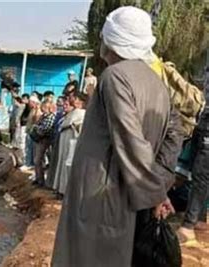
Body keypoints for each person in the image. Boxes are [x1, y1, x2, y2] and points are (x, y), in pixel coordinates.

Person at [52, 7, 184, 267]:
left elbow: (130, 139)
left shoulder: (114, 77)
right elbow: (174, 134)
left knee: (89, 257)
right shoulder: (158, 84)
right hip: (131, 197)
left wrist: (156, 192)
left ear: (112, 40)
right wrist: (160, 184)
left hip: (100, 199)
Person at [177, 66, 209, 244]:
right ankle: (199, 218)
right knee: (197, 172)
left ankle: (189, 226)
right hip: (203, 119)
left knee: (201, 174)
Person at [49, 93, 86, 197]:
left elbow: (67, 124)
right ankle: (59, 188)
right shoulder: (70, 113)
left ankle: (64, 190)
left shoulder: (80, 112)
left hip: (72, 141)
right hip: (65, 140)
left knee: (67, 165)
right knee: (62, 164)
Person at [30, 100, 56, 187]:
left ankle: (41, 181)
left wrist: (36, 128)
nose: (43, 109)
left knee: (38, 160)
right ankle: (38, 178)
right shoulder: (43, 116)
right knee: (37, 160)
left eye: (45, 107)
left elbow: (45, 129)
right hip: (40, 139)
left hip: (45, 140)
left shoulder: (51, 117)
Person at [21, 95, 42, 170]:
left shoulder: (37, 111)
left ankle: (29, 163)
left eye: (30, 102)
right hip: (29, 131)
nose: (29, 104)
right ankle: (29, 162)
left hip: (32, 132)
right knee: (29, 148)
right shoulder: (32, 110)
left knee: (30, 148)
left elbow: (36, 121)